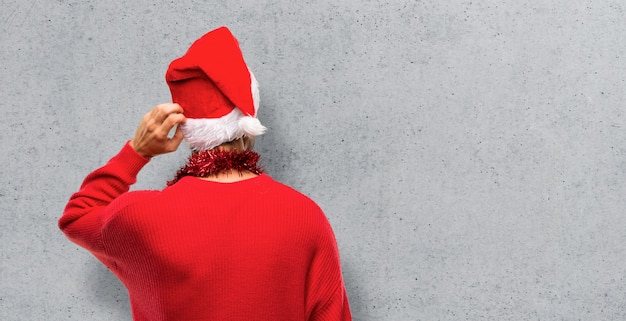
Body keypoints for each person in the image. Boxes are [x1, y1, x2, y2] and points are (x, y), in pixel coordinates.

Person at [59, 26, 351, 321]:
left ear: (186, 130)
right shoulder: (305, 217)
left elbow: (77, 216)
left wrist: (137, 151)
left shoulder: (140, 217)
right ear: (249, 117)